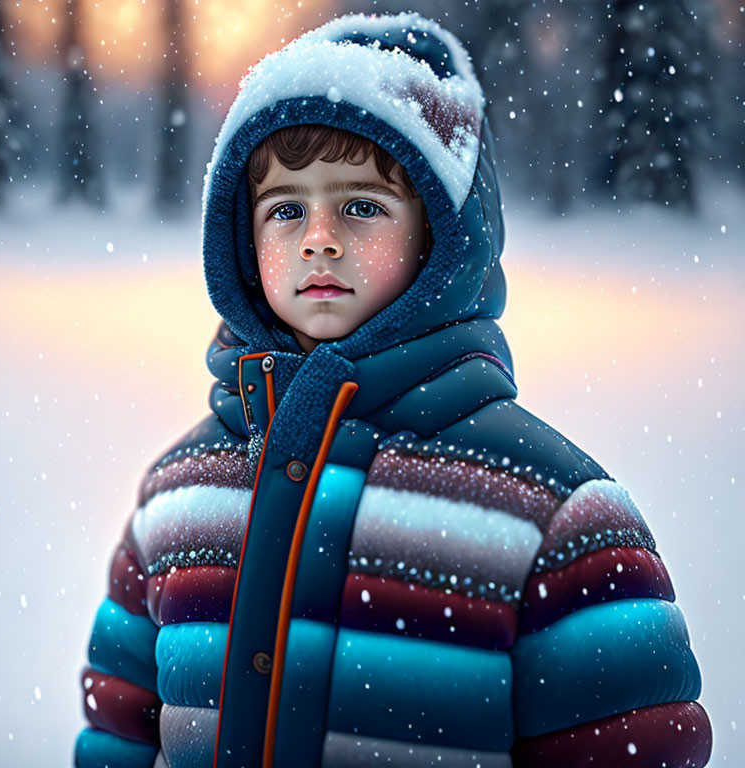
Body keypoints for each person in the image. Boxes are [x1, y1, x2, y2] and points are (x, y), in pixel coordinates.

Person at [74, 12, 712, 768]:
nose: (319, 237)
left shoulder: (556, 512)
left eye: (362, 206)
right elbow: (117, 736)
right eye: (285, 210)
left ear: (443, 237)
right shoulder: (177, 497)